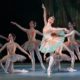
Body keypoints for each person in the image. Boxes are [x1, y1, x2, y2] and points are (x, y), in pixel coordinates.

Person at [39, 4, 74, 76]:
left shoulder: (51, 28)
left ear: (52, 22)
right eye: (50, 18)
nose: (51, 19)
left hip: (51, 41)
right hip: (46, 41)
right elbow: (44, 16)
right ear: (48, 19)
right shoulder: (46, 24)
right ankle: (50, 67)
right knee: (51, 55)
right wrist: (44, 9)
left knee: (52, 55)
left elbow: (57, 29)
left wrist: (63, 29)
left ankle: (49, 68)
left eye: (52, 19)